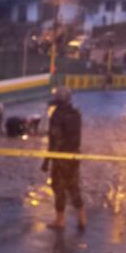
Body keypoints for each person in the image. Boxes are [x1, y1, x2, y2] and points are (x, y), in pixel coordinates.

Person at [42, 86, 86, 230]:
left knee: (59, 187)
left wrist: (46, 160)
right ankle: (82, 217)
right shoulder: (76, 114)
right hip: (74, 155)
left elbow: (54, 139)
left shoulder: (57, 115)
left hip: (60, 157)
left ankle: (60, 220)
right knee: (73, 186)